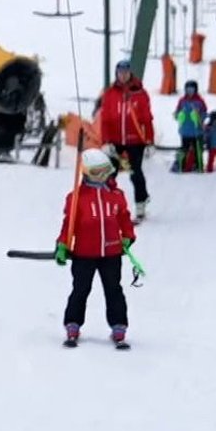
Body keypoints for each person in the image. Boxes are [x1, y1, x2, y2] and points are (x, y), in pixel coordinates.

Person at [55, 148, 137, 346]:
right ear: (87, 173)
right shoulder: (76, 198)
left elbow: (124, 218)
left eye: (105, 171)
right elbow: (69, 225)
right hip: (84, 253)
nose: (103, 176)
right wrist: (63, 245)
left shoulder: (116, 195)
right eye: (98, 172)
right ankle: (73, 324)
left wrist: (127, 236)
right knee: (80, 289)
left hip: (111, 253)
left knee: (114, 289)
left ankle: (118, 326)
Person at [95, 59, 155, 220]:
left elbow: (147, 119)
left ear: (130, 73)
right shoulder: (110, 94)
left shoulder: (140, 94)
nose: (122, 76)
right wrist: (106, 141)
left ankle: (141, 203)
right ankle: (109, 207)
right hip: (115, 141)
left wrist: (149, 140)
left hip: (135, 141)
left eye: (125, 73)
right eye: (120, 73)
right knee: (109, 174)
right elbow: (105, 119)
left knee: (135, 172)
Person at [175, 80, 209, 172]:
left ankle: (199, 167)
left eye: (192, 89)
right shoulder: (182, 101)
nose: (190, 91)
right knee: (184, 150)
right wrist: (179, 115)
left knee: (198, 150)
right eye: (188, 89)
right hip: (185, 131)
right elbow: (177, 113)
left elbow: (205, 113)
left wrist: (199, 116)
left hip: (196, 131)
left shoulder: (200, 101)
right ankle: (182, 166)